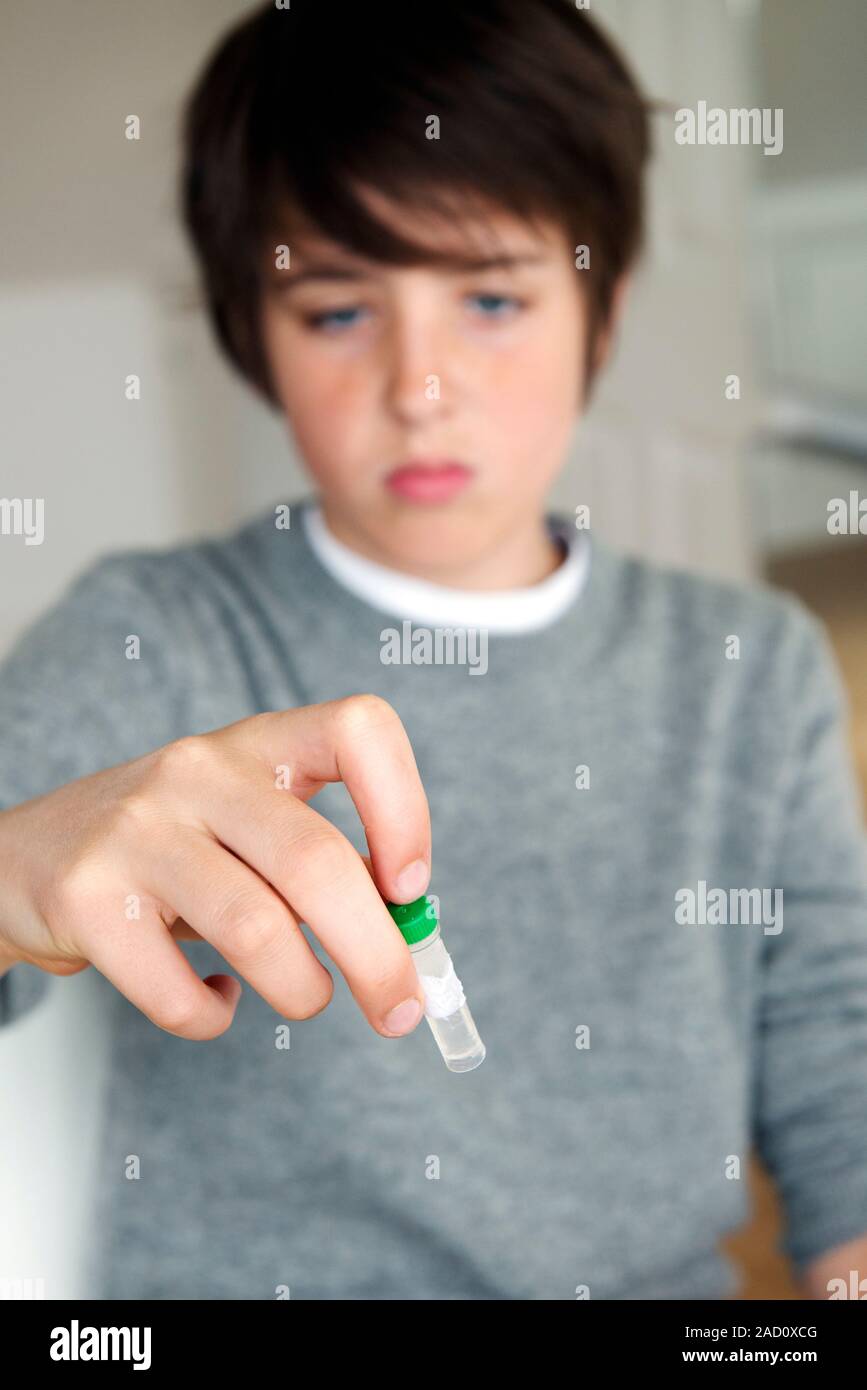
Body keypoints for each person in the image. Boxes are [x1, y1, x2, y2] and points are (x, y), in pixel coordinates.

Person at [2, 0, 866, 1300]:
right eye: (339, 312)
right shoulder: (145, 639)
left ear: (605, 311)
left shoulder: (756, 666)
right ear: (252, 338)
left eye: (493, 298)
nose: (421, 384)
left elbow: (834, 1055)